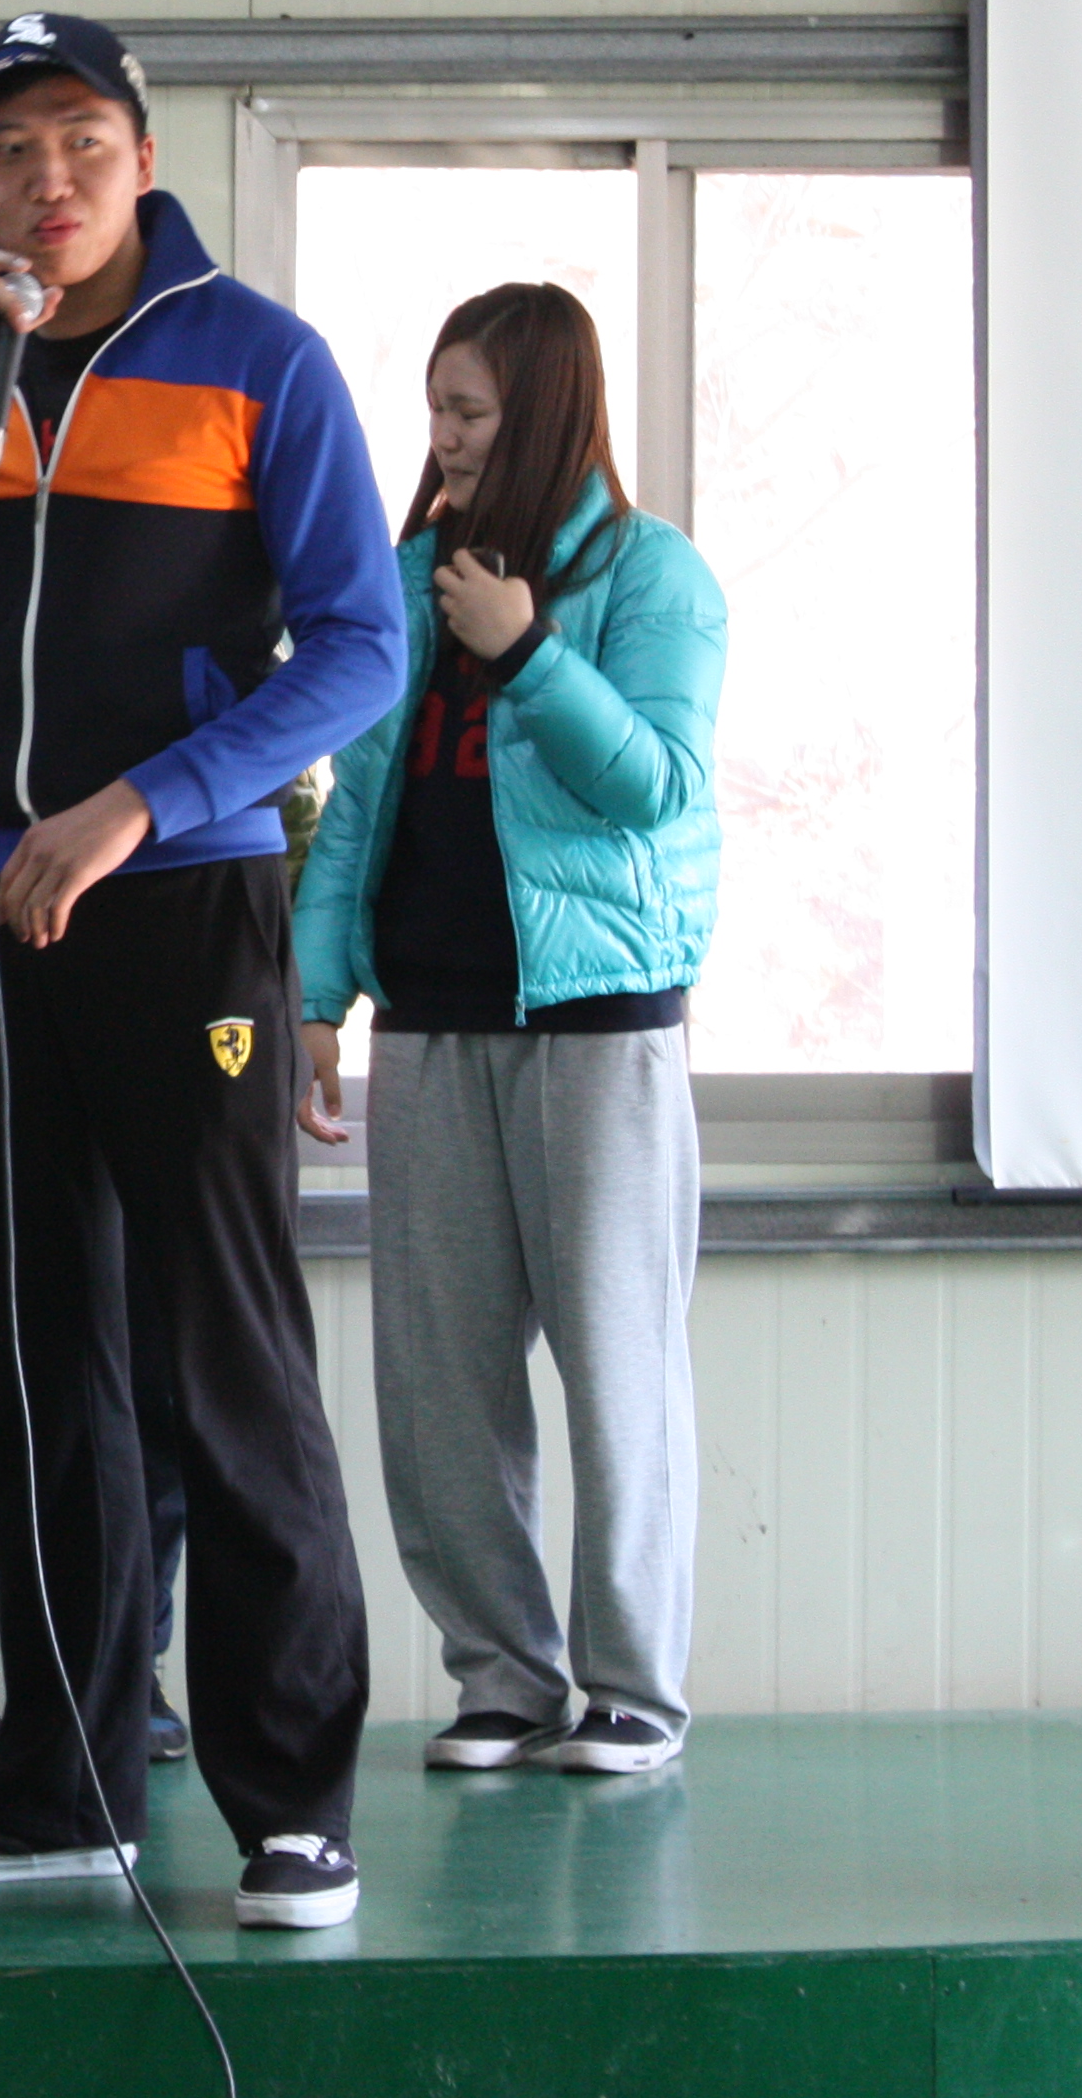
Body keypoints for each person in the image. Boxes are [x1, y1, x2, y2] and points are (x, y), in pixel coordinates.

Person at [0, 11, 404, 1927]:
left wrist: (144, 802)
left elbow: (362, 644)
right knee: (26, 1365)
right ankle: (58, 1781)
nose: (42, 179)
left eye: (78, 140)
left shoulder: (258, 358)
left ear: (141, 156)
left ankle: (291, 1803)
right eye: (5, 149)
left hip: (181, 905)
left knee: (224, 1354)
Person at [294, 282, 726, 1780]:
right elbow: (358, 798)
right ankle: (503, 1678)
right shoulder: (413, 576)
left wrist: (530, 649)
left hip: (599, 1030)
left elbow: (657, 785)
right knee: (440, 1384)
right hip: (430, 1022)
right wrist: (317, 997)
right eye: (436, 409)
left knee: (618, 1375)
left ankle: (633, 1692)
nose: (446, 438)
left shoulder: (655, 576)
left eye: (470, 411)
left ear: (541, 411)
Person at [0, 588, 311, 1763]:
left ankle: (131, 1657)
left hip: (164, 1029)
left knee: (157, 1371)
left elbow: (292, 822)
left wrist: (275, 1020)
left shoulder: (194, 600)